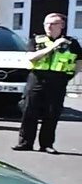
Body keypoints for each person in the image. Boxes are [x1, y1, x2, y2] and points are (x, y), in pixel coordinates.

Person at [15, 13, 81, 154]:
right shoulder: (36, 40)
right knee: (29, 111)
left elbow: (79, 62)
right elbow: (31, 57)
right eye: (46, 24)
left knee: (52, 114)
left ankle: (46, 144)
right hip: (37, 79)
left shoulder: (71, 43)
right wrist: (51, 47)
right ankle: (25, 142)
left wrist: (70, 75)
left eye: (53, 24)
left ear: (61, 26)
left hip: (58, 81)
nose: (49, 27)